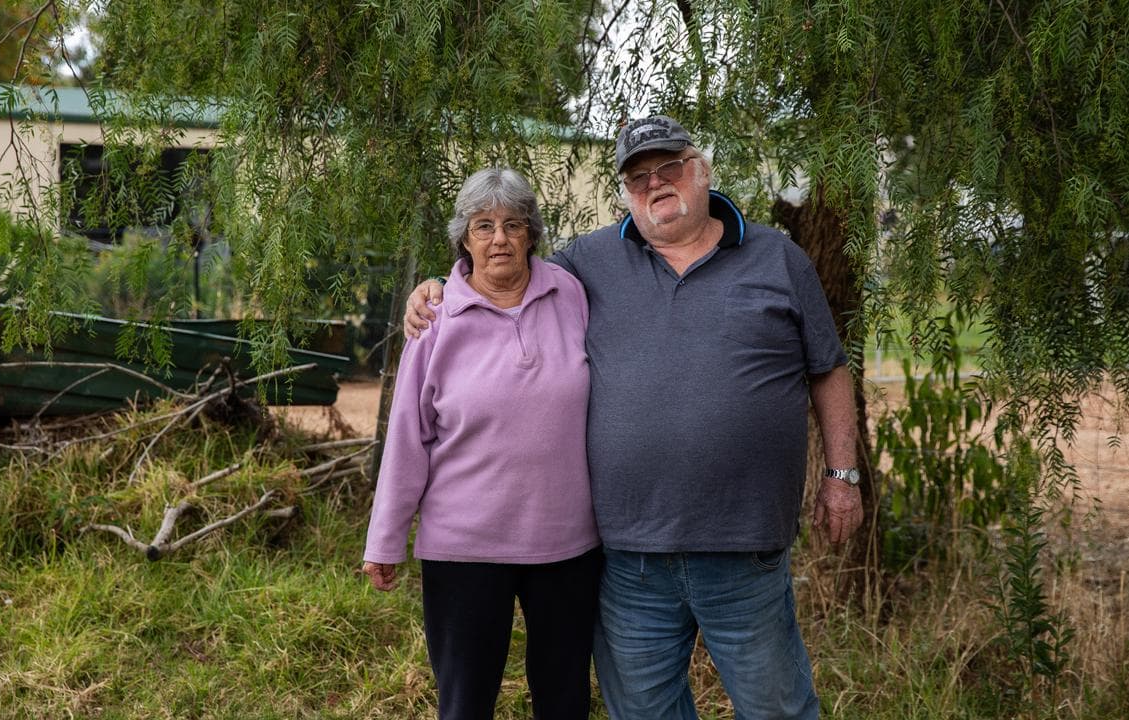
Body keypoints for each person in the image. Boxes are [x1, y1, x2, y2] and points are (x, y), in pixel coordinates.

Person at [405, 116, 862, 720]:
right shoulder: (589, 263)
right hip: (629, 560)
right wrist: (439, 286)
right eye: (638, 177)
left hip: (744, 550)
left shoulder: (779, 258)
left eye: (668, 167)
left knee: (777, 708)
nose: (656, 184)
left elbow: (828, 368)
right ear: (626, 193)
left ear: (701, 170)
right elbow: (505, 271)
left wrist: (842, 477)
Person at [363, 167, 603, 720]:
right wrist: (385, 538)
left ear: (532, 234)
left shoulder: (570, 293)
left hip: (566, 545)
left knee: (566, 699)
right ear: (464, 239)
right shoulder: (436, 319)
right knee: (465, 703)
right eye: (484, 225)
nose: (499, 239)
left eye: (513, 224)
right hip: (464, 548)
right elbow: (407, 438)